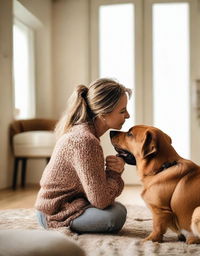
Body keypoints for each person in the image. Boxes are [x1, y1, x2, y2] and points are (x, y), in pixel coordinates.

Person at [35, 78, 131, 234]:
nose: (128, 115)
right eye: (122, 110)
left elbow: (97, 193)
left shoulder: (84, 133)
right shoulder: (86, 141)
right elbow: (100, 201)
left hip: (68, 203)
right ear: (103, 114)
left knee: (118, 208)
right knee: (116, 215)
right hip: (54, 214)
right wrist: (114, 174)